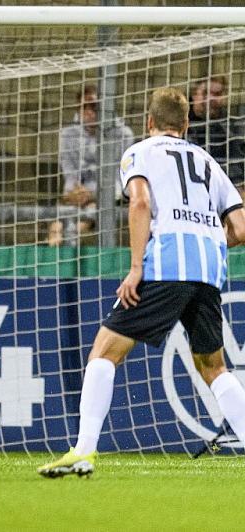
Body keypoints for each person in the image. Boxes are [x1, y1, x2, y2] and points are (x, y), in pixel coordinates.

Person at [38, 87, 245, 478]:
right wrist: (211, 242)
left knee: (104, 351)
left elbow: (140, 203)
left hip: (165, 264)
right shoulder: (207, 161)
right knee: (214, 368)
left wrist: (135, 267)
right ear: (185, 125)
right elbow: (240, 227)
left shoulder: (140, 151)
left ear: (149, 122)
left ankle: (83, 451)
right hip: (207, 269)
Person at [49, 85, 135, 246]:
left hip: (112, 197)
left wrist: (93, 194)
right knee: (57, 225)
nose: (89, 112)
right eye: (84, 107)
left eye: (94, 106)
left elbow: (121, 181)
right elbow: (70, 175)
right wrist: (74, 194)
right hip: (79, 197)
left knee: (79, 220)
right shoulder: (68, 135)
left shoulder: (123, 135)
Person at [186, 77, 245, 195]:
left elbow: (236, 168)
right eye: (206, 93)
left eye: (217, 94)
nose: (211, 98)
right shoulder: (181, 125)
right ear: (194, 95)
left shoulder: (232, 130)